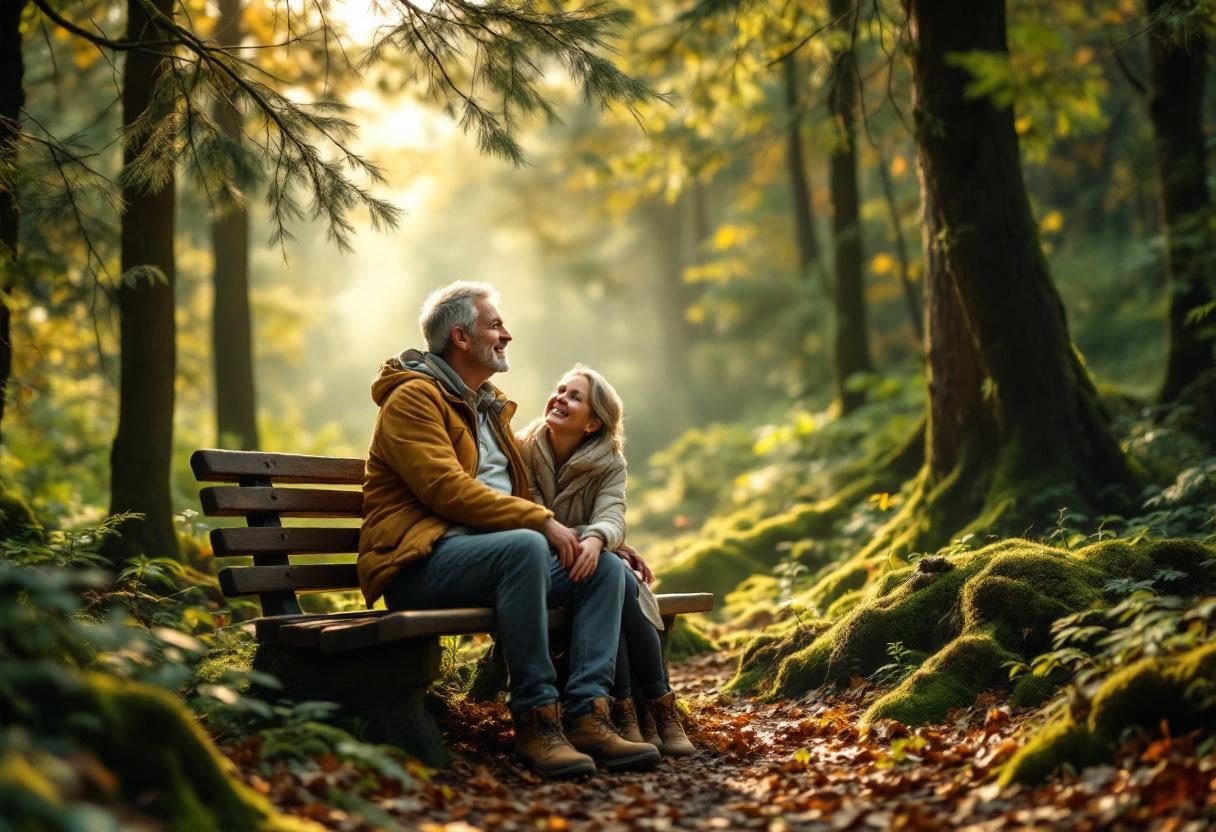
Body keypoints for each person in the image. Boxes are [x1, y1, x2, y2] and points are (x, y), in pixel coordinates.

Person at [357, 282, 660, 778]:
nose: (507, 335)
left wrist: (594, 536)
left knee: (602, 569)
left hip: (491, 558)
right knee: (522, 545)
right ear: (460, 336)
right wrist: (540, 522)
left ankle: (587, 714)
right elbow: (446, 490)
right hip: (420, 563)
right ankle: (536, 721)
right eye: (495, 325)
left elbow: (519, 502)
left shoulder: (486, 408)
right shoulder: (413, 399)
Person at [517, 365, 695, 757]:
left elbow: (612, 513)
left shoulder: (610, 461)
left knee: (616, 573)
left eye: (575, 396)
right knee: (616, 571)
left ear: (593, 424)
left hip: (580, 566)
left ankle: (643, 714)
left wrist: (600, 538)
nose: (561, 397)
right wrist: (596, 539)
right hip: (536, 567)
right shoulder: (522, 447)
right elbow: (529, 512)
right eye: (560, 389)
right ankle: (645, 706)